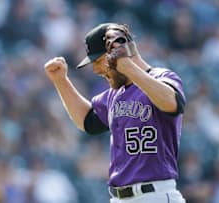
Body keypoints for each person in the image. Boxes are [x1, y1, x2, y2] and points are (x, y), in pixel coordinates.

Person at [44, 23, 186, 203]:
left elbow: (173, 102)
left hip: (155, 195)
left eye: (98, 60)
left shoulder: (162, 77)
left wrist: (128, 67)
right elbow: (88, 122)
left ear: (122, 50)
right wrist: (61, 81)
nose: (96, 69)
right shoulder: (114, 95)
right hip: (119, 197)